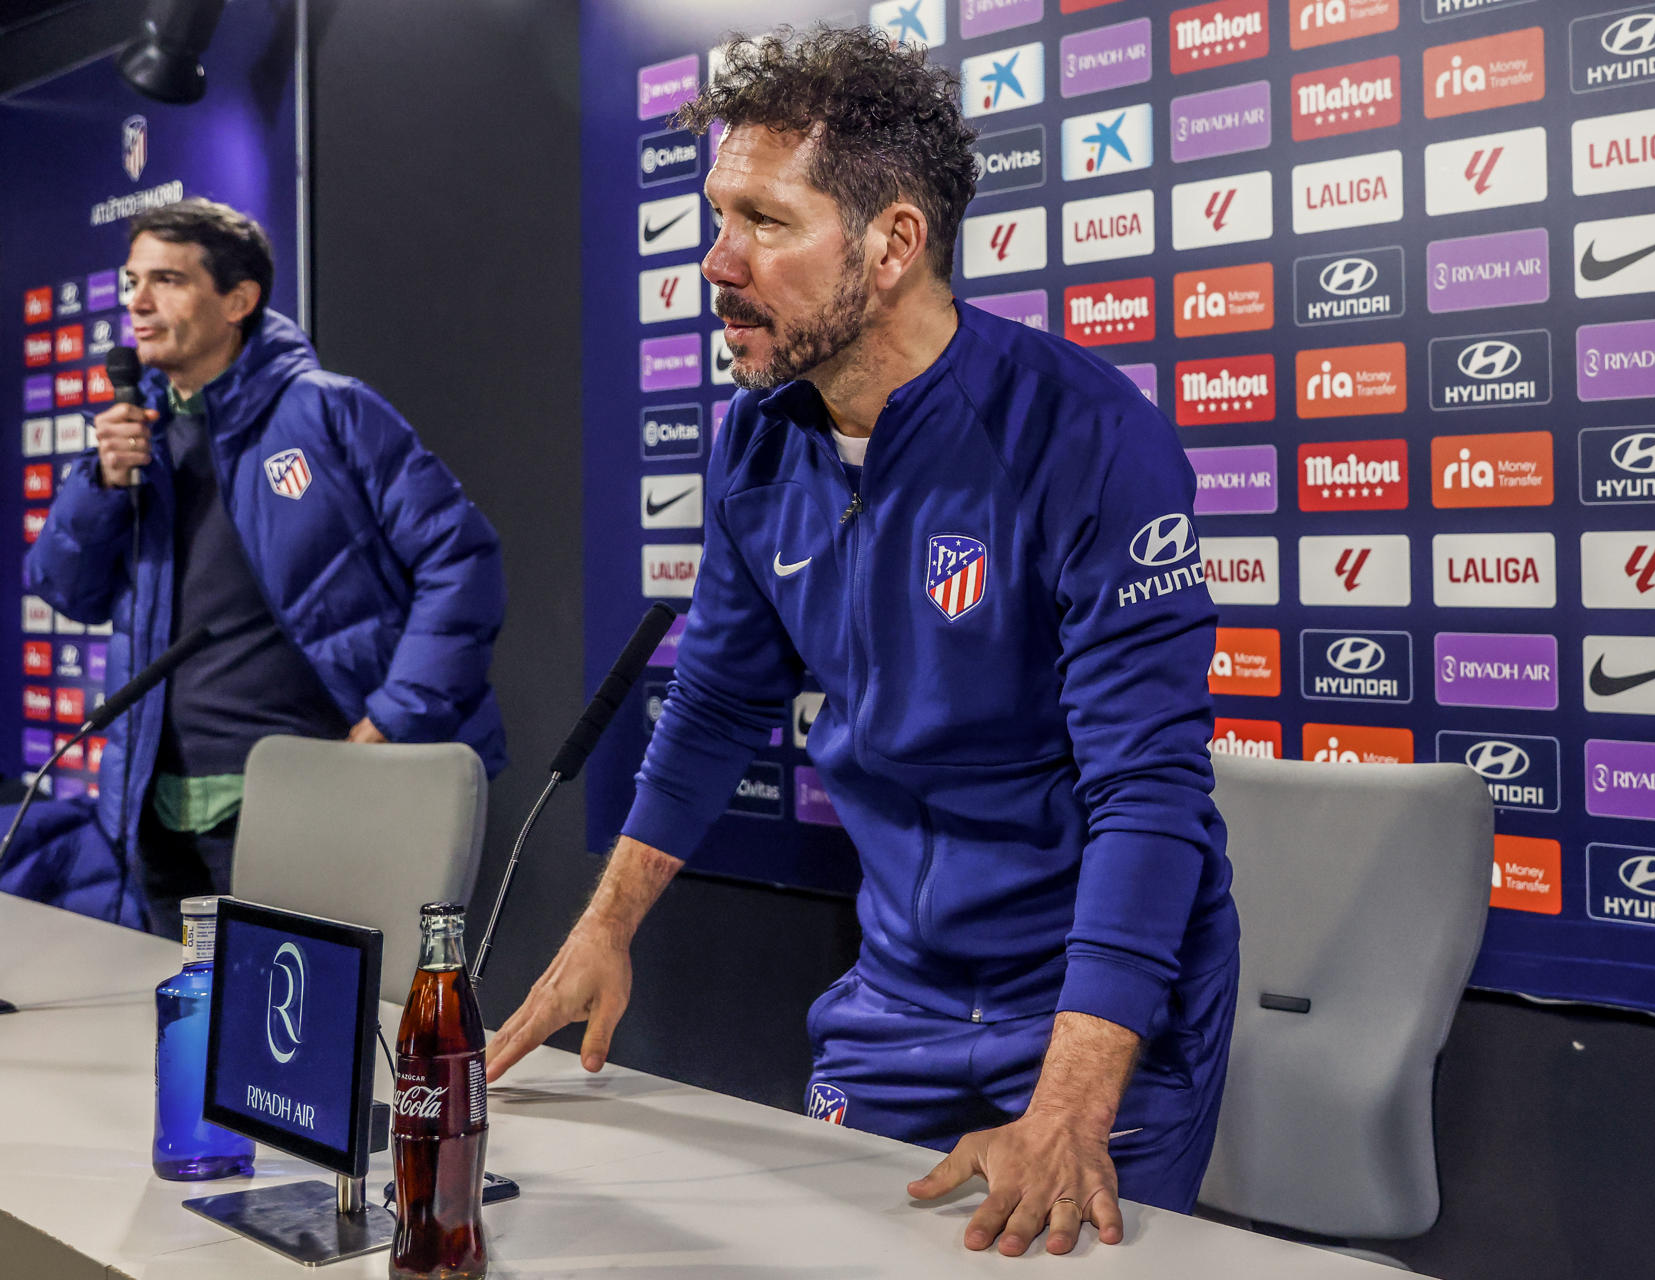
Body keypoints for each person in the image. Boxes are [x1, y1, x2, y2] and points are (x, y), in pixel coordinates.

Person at [486, 28, 1237, 1257]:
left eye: (765, 222)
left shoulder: (1087, 434)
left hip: (1096, 1014)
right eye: (716, 214)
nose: (718, 261)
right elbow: (718, 705)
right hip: (896, 995)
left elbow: (1148, 788)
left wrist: (1070, 1097)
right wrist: (603, 927)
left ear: (893, 244)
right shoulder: (758, 438)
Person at [19, 198, 507, 939]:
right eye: (131, 283)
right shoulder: (134, 437)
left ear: (238, 300)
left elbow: (461, 559)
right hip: (154, 807)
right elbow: (65, 590)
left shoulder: (329, 412)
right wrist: (100, 485)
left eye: (167, 281)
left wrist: (396, 718)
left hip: (299, 800)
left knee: (296, 1029)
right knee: (181, 1029)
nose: (138, 304)